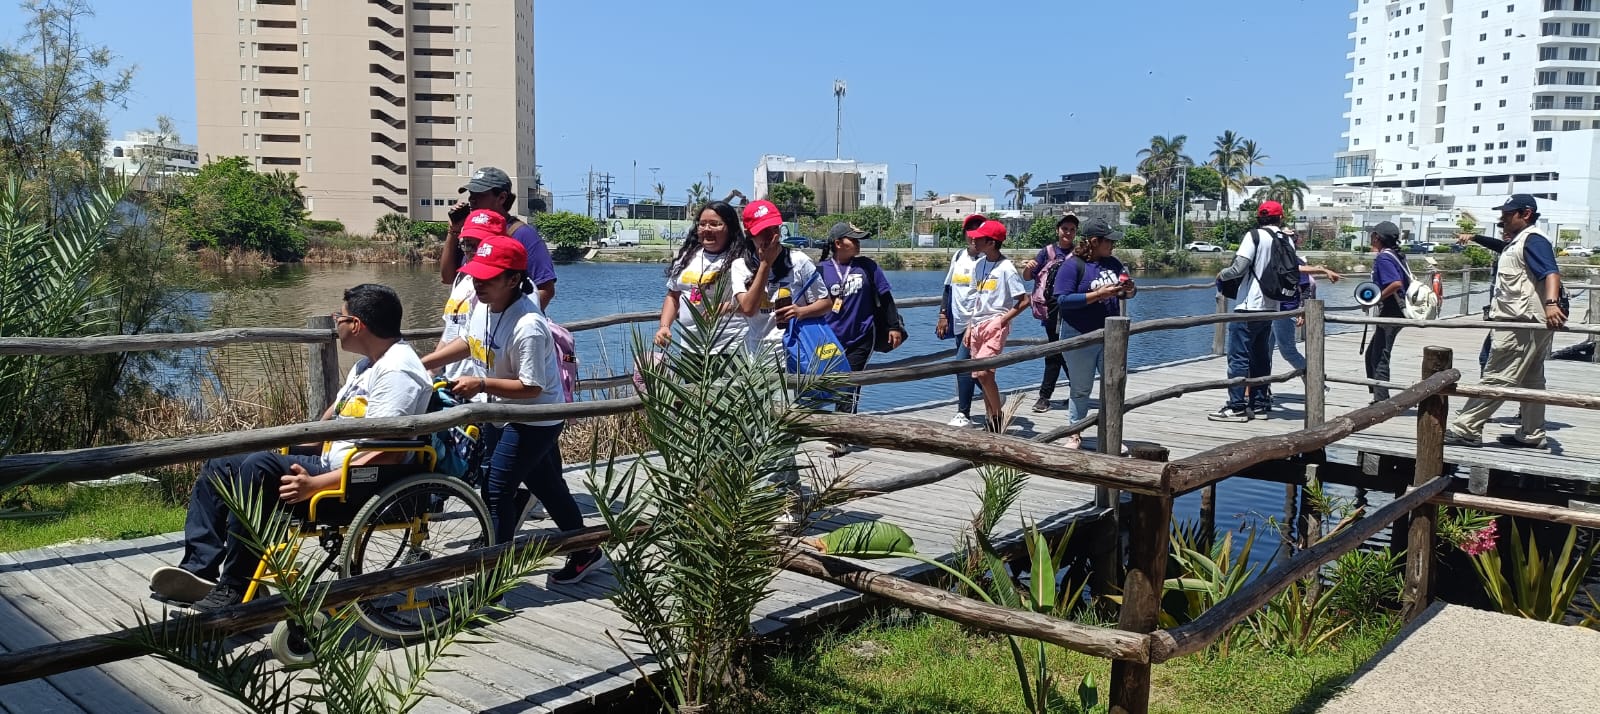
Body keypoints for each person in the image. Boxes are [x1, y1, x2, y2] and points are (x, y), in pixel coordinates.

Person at [149, 284, 433, 610]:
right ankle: (200, 570)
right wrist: (290, 444)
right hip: (333, 466)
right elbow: (333, 418)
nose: (335, 322)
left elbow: (390, 452)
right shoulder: (366, 365)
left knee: (260, 468)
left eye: (339, 316)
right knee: (223, 463)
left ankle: (236, 587)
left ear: (356, 325)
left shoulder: (398, 371)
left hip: (358, 485)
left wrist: (316, 484)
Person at [421, 235, 604, 584]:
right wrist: (424, 363)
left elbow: (531, 386)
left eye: (488, 278)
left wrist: (481, 384)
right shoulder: (482, 307)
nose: (479, 283)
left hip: (534, 418)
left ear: (513, 279)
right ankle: (586, 550)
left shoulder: (529, 325)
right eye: (476, 276)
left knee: (496, 489)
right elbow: (468, 343)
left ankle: (494, 580)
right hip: (500, 413)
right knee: (548, 486)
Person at [1445, 194, 1566, 449]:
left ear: (1526, 214)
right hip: (1525, 321)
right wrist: (1476, 238)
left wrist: (1552, 304)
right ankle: (1532, 434)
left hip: (1522, 322)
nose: (1502, 219)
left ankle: (1466, 428)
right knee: (1532, 379)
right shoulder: (1519, 242)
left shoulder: (1533, 240)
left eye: (1507, 215)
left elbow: (1550, 272)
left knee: (1498, 376)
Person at [819, 221, 907, 456]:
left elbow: (886, 297)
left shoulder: (867, 267)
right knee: (830, 382)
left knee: (849, 383)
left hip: (862, 335)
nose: (858, 244)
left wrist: (894, 326)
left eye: (858, 240)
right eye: (852, 240)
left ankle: (841, 436)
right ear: (838, 244)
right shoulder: (821, 270)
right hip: (829, 337)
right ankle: (831, 425)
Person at [1052, 218, 1136, 448]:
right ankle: (1075, 433)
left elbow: (1125, 293)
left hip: (1111, 336)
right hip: (1079, 334)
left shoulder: (1114, 263)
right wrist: (1098, 295)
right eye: (1108, 241)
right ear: (1094, 241)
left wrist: (1128, 290)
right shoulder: (1073, 265)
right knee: (1081, 388)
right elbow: (1062, 299)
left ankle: (1110, 434)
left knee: (1114, 384)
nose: (1113, 245)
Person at [1208, 201, 1290, 422]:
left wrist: (1221, 274)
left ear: (1258, 217)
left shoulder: (1254, 236)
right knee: (1261, 357)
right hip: (1271, 306)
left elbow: (1239, 268)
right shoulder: (1285, 238)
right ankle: (1260, 404)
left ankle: (1236, 406)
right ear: (1280, 218)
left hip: (1248, 307)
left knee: (1238, 357)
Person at [442, 166, 559, 309]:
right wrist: (453, 230)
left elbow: (546, 289)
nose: (472, 199)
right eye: (471, 194)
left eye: (479, 194)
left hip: (505, 326)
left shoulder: (523, 234)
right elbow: (448, 277)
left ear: (502, 197)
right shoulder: (469, 232)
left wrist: (515, 320)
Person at [731, 200, 831, 357]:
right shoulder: (740, 265)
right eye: (763, 231)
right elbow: (748, 309)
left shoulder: (799, 260)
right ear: (749, 232)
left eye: (774, 228)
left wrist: (800, 311)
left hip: (797, 352)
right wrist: (765, 264)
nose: (771, 236)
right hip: (758, 356)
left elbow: (826, 303)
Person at [653, 200, 750, 354]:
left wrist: (727, 307)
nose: (707, 229)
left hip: (730, 349)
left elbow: (754, 301)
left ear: (730, 228)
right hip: (690, 348)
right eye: (702, 224)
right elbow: (673, 295)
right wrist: (664, 326)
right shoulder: (687, 257)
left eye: (714, 224)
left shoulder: (741, 260)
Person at [961, 218, 1030, 433]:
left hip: (995, 325)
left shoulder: (1006, 268)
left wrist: (1001, 320)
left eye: (979, 239)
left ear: (991, 243)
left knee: (983, 373)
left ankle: (998, 416)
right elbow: (977, 297)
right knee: (983, 375)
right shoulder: (979, 264)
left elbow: (1024, 300)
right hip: (977, 325)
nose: (974, 242)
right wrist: (970, 325)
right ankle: (992, 419)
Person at [1268, 229, 1342, 408]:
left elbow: (1306, 284)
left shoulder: (1293, 260)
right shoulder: (1276, 256)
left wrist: (1302, 309)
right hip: (1268, 308)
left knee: (1288, 351)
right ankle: (1263, 387)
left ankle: (1317, 382)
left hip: (1284, 310)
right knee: (1264, 350)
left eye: (1291, 239)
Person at [437, 209, 502, 383]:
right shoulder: (462, 278)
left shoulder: (503, 288)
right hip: (453, 381)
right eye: (466, 244)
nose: (471, 251)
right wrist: (430, 369)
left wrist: (480, 385)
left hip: (482, 386)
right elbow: (450, 331)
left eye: (478, 244)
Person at [1023, 213, 1078, 413]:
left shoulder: (1079, 253)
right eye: (1065, 229)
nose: (1068, 233)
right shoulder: (1046, 252)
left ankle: (1051, 396)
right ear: (1058, 230)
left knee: (1062, 353)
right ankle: (1058, 394)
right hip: (1052, 311)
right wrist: (1028, 267)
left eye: (1072, 230)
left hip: (1072, 311)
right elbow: (1028, 276)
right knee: (1057, 353)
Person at [936, 214, 986, 426]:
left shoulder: (988, 260)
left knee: (962, 364)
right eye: (970, 230)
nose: (974, 235)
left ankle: (963, 413)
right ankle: (993, 396)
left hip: (980, 323)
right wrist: (943, 314)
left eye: (979, 229)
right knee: (973, 367)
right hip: (958, 321)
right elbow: (948, 288)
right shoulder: (958, 256)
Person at [1361, 221, 1411, 403]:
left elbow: (1396, 283)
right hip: (1395, 310)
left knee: (1380, 355)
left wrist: (1376, 299)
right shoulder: (1395, 254)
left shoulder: (1383, 258)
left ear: (1377, 237)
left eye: (1373, 234)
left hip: (1391, 311)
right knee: (1372, 354)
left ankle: (1381, 401)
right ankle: (1378, 395)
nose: (1371, 237)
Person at [1456, 230, 1510, 375]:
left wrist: (1474, 237)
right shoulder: (1508, 251)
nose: (1505, 231)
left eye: (1508, 227)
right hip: (1500, 315)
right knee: (1486, 358)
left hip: (1510, 317)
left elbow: (1498, 245)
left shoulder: (1520, 248)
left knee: (1486, 358)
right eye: (1503, 229)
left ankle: (1485, 393)